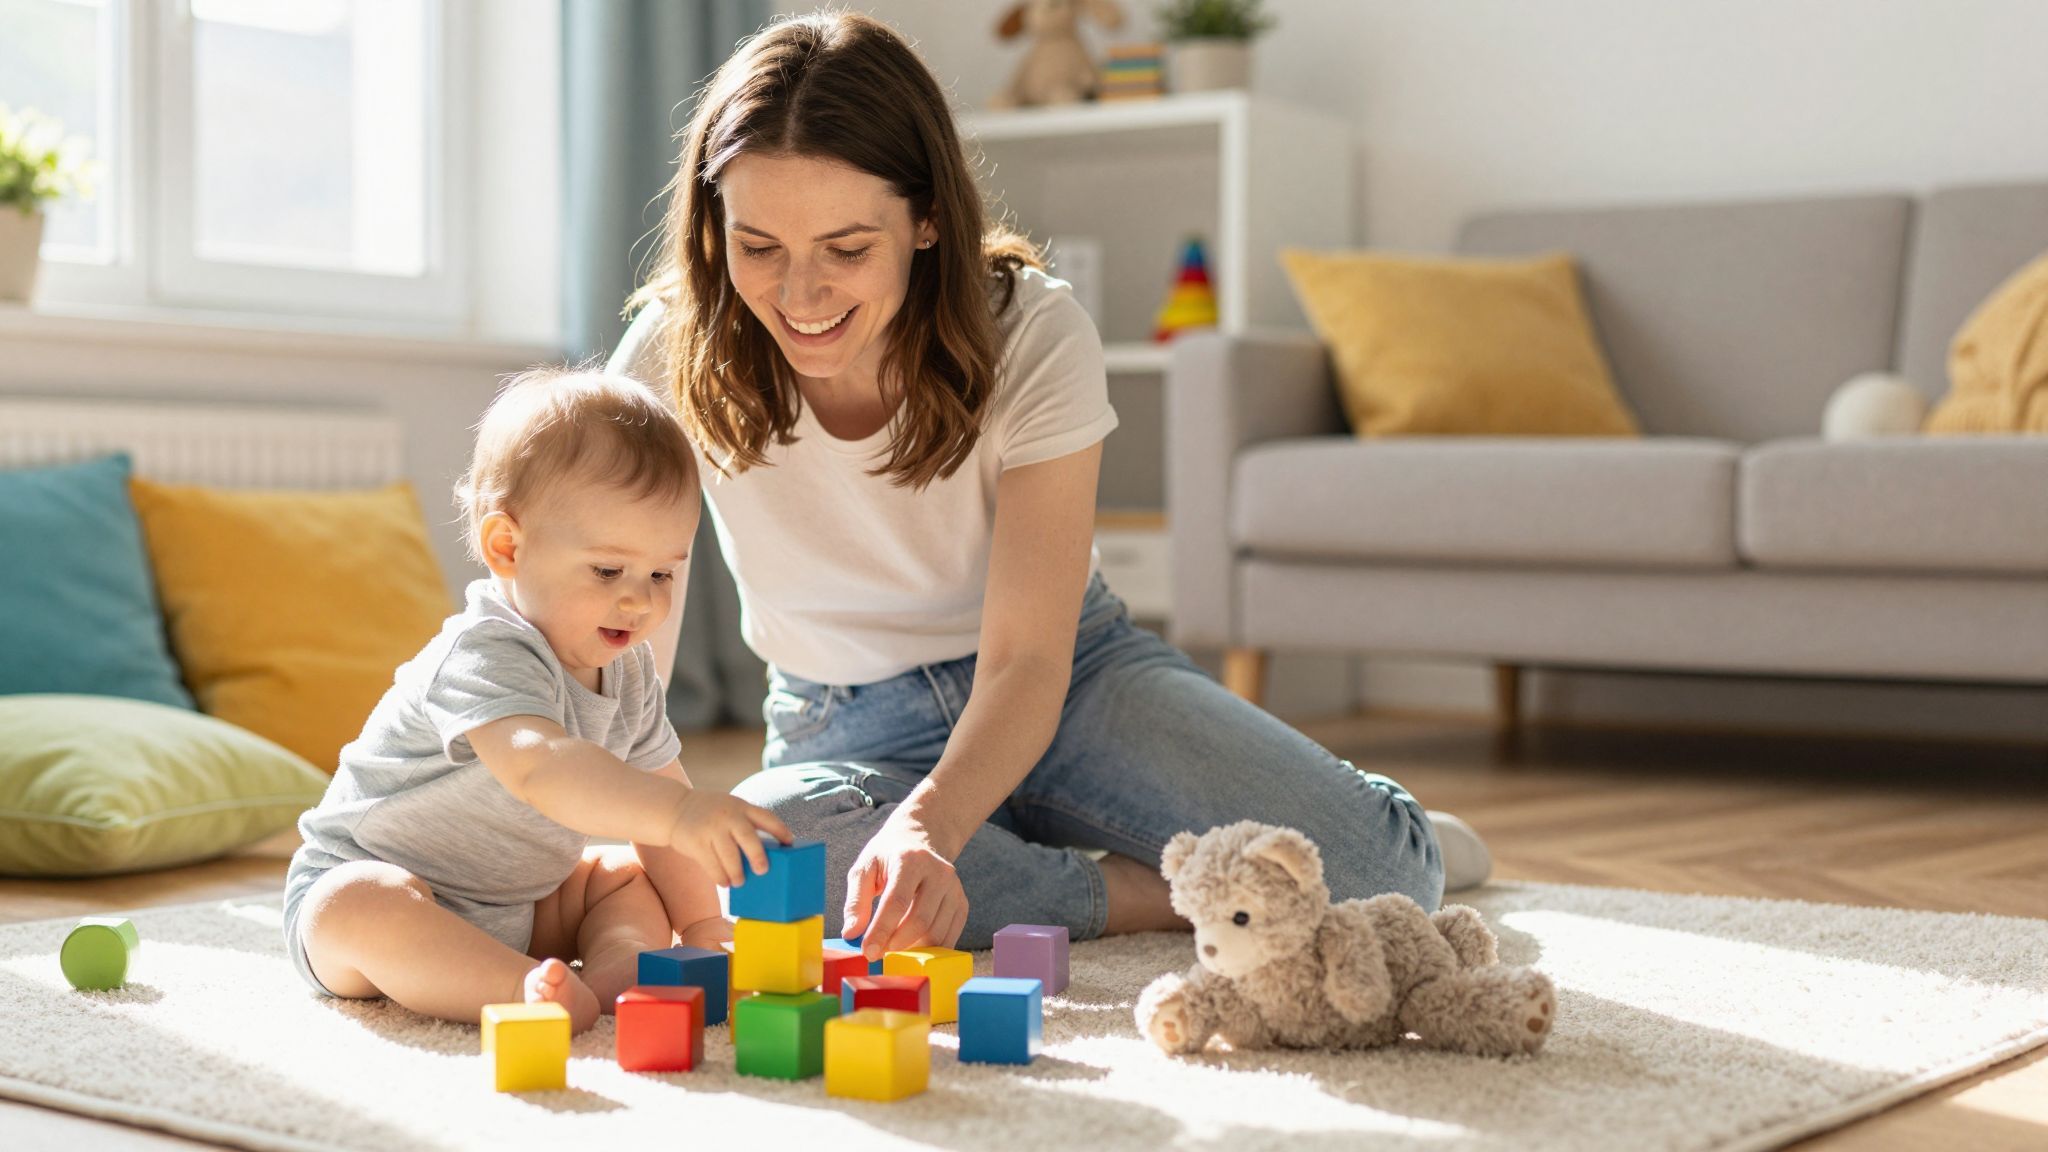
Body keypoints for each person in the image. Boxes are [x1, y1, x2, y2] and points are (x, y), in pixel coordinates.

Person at [611, 10, 1490, 964]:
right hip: (843, 720)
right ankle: (1139, 888)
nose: (801, 294)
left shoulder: (1031, 333)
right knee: (763, 876)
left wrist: (932, 830)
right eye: (759, 247)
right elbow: (612, 622)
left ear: (928, 219)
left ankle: (1353, 822)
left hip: (1071, 679)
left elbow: (1030, 658)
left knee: (1384, 875)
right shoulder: (672, 350)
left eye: (848, 248)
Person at [282, 369, 790, 1032]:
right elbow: (542, 768)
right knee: (361, 904)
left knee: (621, 877)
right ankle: (522, 993)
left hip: (517, 904)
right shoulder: (483, 653)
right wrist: (681, 813)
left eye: (663, 571)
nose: (639, 599)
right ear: (507, 547)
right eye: (609, 570)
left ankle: (616, 972)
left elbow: (657, 797)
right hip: (375, 888)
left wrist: (700, 921)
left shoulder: (627, 669)